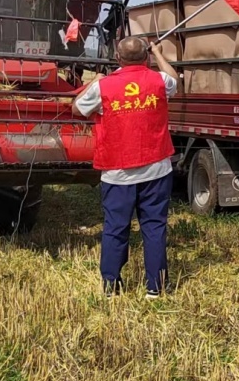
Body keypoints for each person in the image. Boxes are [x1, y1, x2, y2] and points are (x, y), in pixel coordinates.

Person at [72, 37, 179, 299]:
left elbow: (76, 109)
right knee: (154, 228)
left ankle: (111, 286)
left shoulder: (104, 86)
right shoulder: (158, 81)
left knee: (115, 228)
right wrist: (158, 53)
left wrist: (95, 82)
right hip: (156, 168)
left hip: (117, 172)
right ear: (146, 58)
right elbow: (174, 79)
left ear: (117, 58)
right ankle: (155, 287)